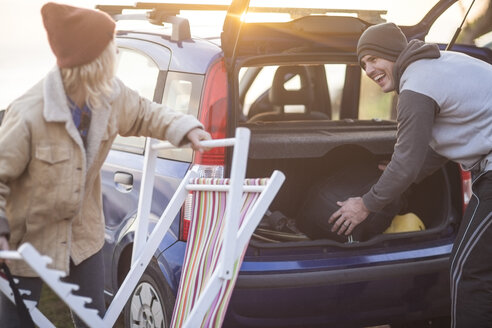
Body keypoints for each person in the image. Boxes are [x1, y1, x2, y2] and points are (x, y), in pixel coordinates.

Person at [0, 3, 211, 327]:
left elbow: (145, 113)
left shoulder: (110, 95)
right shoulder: (29, 113)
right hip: (29, 240)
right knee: (18, 319)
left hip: (84, 235)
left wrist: (187, 127)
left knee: (93, 320)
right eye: (108, 49)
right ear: (90, 62)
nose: (114, 55)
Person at [328, 22, 492, 327]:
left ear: (393, 53)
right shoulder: (436, 65)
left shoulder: (416, 83)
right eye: (363, 64)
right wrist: (398, 176)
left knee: (467, 270)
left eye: (374, 59)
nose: (368, 69)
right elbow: (432, 150)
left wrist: (365, 204)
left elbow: (406, 163)